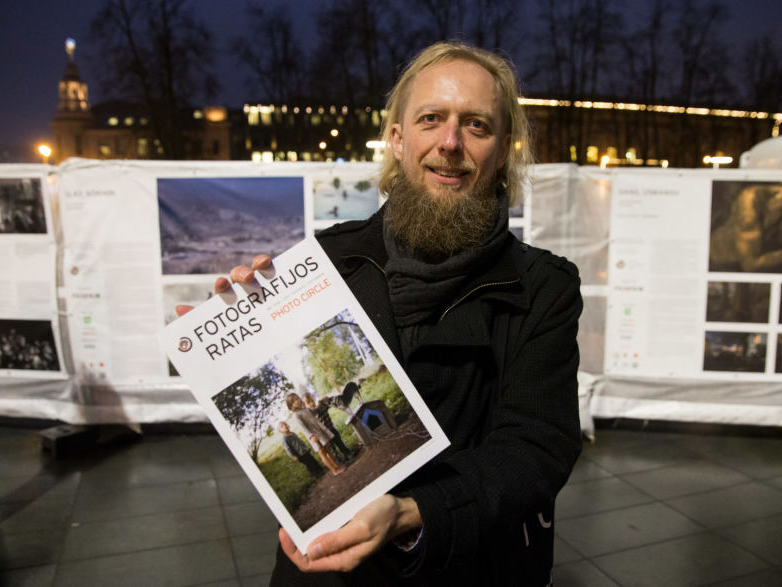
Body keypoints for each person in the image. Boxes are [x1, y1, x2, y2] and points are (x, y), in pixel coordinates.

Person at [183, 40, 582, 585]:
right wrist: (232, 339)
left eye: (477, 126)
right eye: (431, 119)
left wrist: (411, 514)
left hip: (470, 567)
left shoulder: (542, 286)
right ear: (397, 138)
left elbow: (537, 448)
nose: (450, 142)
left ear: (503, 148)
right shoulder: (330, 258)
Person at [285, 393, 346, 477]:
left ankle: (337, 467)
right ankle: (334, 470)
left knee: (328, 449)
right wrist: (311, 436)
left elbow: (315, 410)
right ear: (290, 405)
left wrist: (320, 403)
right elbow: (302, 428)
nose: (297, 401)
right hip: (314, 435)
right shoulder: (296, 415)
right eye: (294, 401)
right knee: (323, 453)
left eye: (297, 398)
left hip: (320, 431)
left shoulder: (304, 409)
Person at [304, 392, 355, 463]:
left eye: (312, 400)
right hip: (324, 433)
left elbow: (327, 400)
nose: (312, 403)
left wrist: (322, 399)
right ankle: (338, 460)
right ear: (305, 405)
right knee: (332, 448)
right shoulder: (310, 413)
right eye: (308, 403)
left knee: (339, 441)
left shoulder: (320, 406)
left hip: (331, 428)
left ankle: (347, 453)